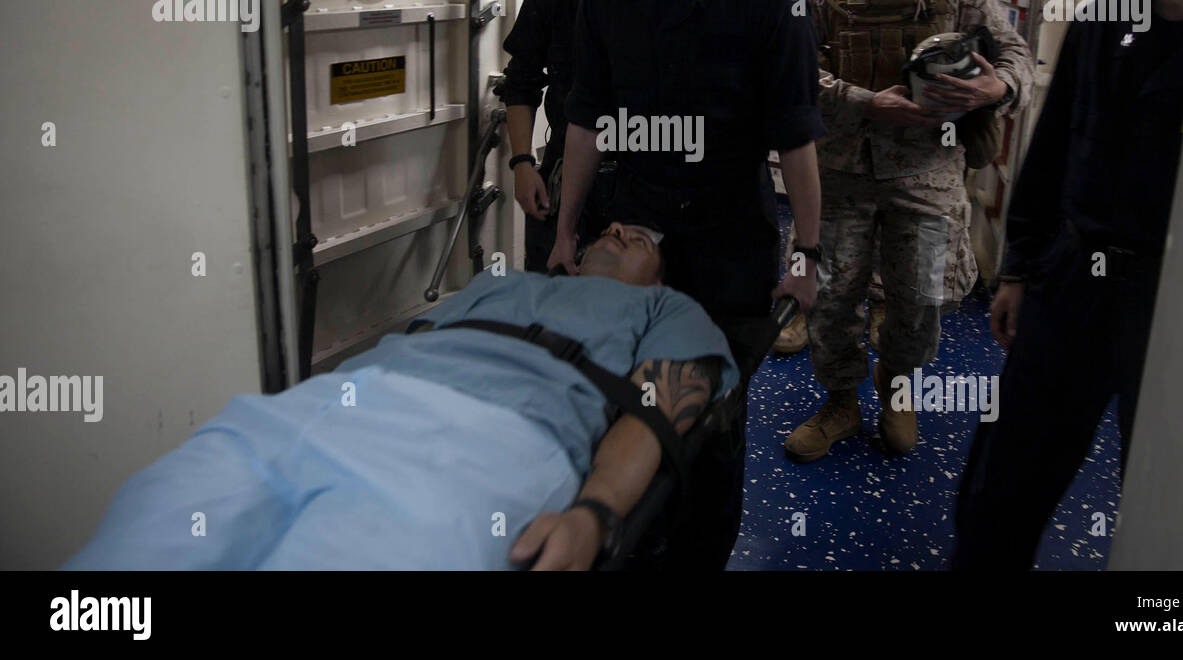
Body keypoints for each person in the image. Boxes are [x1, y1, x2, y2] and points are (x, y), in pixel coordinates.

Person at [63, 222, 736, 571]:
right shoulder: (497, 283)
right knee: (151, 529)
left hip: (481, 448)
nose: (615, 233)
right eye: (609, 227)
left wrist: (594, 513)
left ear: (658, 276)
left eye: (638, 237)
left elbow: (655, 414)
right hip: (334, 404)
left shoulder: (667, 309)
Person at [952, 0, 1183, 569]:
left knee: (1169, 493)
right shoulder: (1104, 27)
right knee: (1000, 481)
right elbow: (1046, 166)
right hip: (1077, 277)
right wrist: (1017, 272)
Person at [552, 0, 826, 568]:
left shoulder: (772, 6)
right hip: (633, 241)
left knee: (708, 427)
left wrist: (808, 253)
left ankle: (700, 558)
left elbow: (796, 141)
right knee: (623, 404)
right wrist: (565, 229)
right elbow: (586, 122)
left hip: (726, 250)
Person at [785, 0, 1033, 461]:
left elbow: (1016, 56)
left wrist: (991, 87)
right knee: (833, 298)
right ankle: (840, 402)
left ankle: (896, 391)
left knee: (919, 300)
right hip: (838, 171)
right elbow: (784, 72)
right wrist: (864, 100)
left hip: (927, 173)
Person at [496, 0, 641, 271]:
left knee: (628, 308)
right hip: (564, 171)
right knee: (551, 298)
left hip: (641, 171)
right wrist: (522, 164)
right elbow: (520, 84)